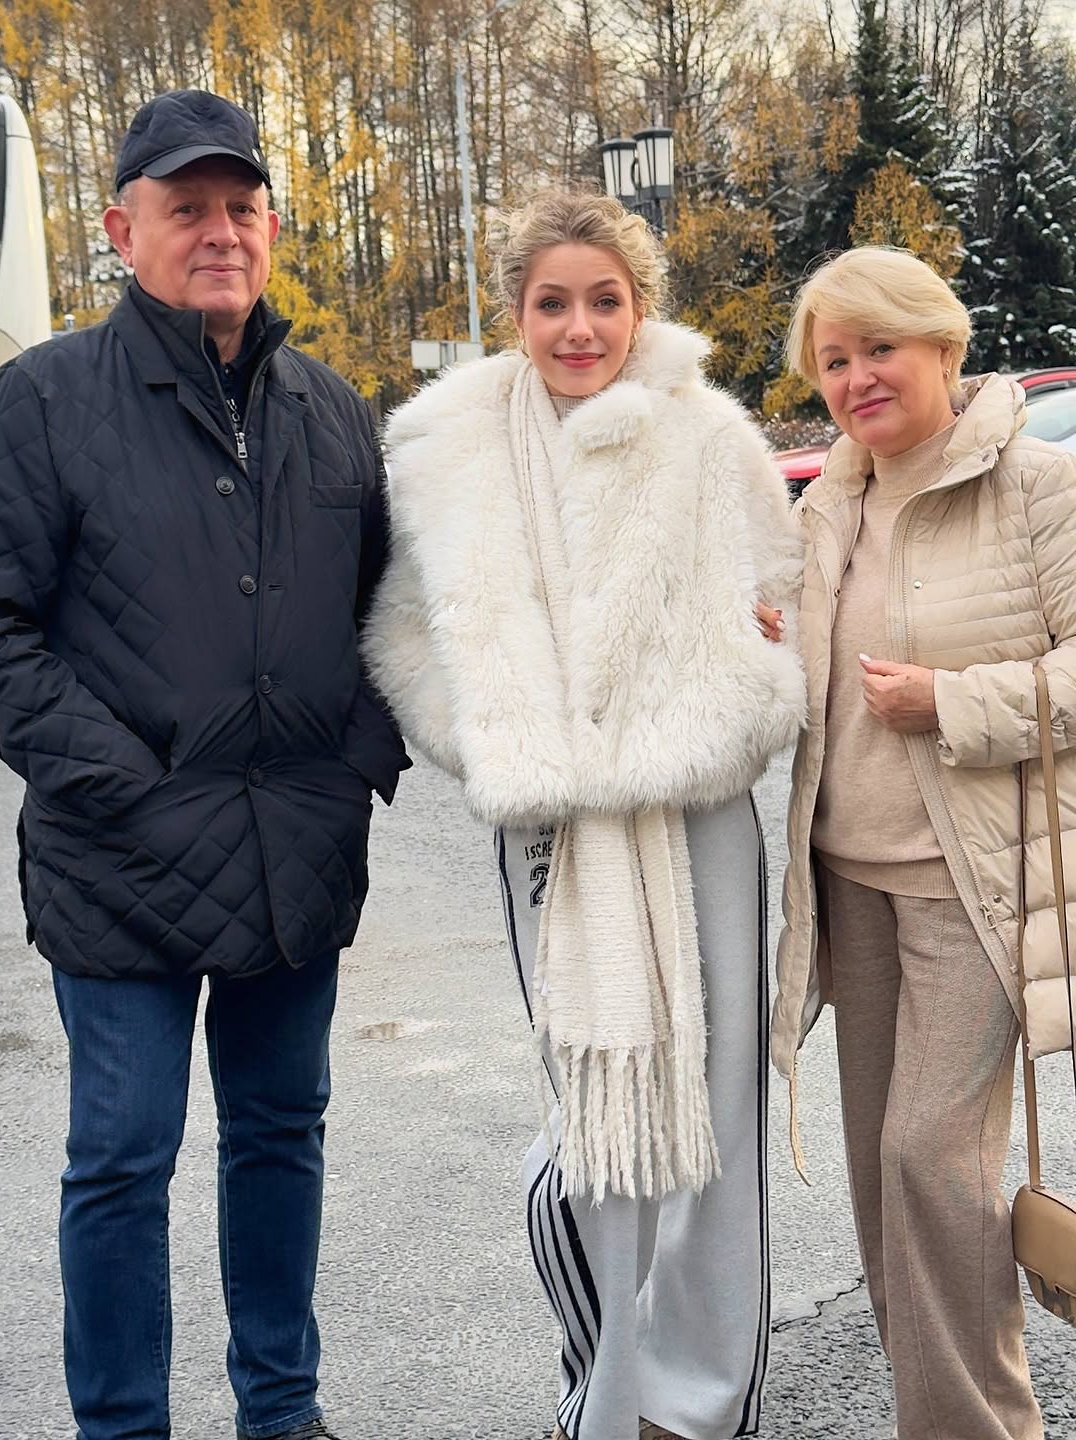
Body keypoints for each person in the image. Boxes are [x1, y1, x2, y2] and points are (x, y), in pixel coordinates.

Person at [0, 89, 408, 1440]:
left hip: (296, 851)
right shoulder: (41, 402)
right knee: (121, 1159)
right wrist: (117, 778)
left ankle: (280, 1411)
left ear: (271, 227)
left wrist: (355, 759)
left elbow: (393, 615)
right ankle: (122, 1427)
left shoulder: (332, 407)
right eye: (188, 208)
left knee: (281, 1136)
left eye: (243, 206)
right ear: (124, 231)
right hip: (118, 857)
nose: (221, 231)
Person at [363, 188, 806, 1440]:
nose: (579, 327)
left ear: (641, 304)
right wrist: (504, 747)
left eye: (604, 300)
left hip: (700, 816)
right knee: (594, 1109)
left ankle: (704, 1401)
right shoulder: (444, 448)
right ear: (514, 310)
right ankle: (608, 1392)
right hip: (553, 835)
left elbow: (786, 602)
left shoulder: (708, 434)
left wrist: (741, 676)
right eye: (552, 302)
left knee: (717, 1113)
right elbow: (405, 634)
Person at [775, 245, 1076, 1440]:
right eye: (834, 360)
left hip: (974, 880)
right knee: (879, 1176)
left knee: (929, 1162)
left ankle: (985, 1427)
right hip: (847, 883)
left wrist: (954, 702)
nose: (856, 378)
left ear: (944, 346)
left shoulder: (1037, 486)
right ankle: (933, 1417)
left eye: (879, 348)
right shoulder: (827, 504)